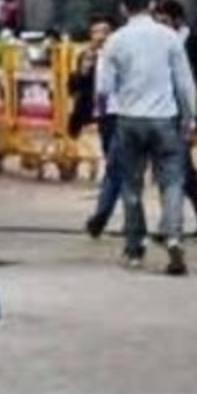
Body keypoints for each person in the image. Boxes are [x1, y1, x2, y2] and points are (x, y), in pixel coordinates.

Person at [97, 0, 196, 275]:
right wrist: (189, 118)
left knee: (132, 185)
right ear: (152, 5)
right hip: (165, 117)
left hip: (129, 119)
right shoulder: (168, 38)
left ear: (123, 7)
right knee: (172, 181)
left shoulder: (115, 41)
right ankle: (174, 236)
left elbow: (103, 88)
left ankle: (134, 247)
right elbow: (184, 83)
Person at [154, 0, 197, 238]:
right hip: (165, 111)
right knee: (179, 170)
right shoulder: (159, 43)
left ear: (177, 19)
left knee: (178, 169)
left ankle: (174, 224)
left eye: (164, 21)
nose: (161, 26)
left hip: (189, 113)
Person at [69, 15, 124, 238]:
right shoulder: (87, 56)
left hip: (120, 114)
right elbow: (74, 88)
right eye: (95, 32)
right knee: (116, 168)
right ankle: (104, 217)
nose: (100, 37)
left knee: (115, 167)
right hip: (103, 118)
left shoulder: (121, 56)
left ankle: (101, 217)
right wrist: (83, 69)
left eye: (105, 31)